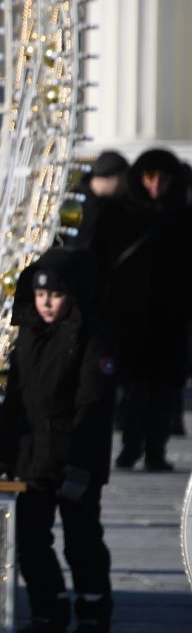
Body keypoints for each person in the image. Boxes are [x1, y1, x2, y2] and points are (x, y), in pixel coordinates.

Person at [0, 248, 116, 633]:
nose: (46, 303)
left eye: (56, 295)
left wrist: (81, 467)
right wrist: (6, 453)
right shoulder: (29, 334)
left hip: (74, 459)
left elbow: (93, 407)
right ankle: (49, 611)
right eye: (41, 294)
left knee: (82, 541)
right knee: (30, 540)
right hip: (33, 458)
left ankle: (93, 617)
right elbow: (16, 399)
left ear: (73, 296)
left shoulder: (90, 339)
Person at [92, 148, 191, 472]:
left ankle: (155, 450)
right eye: (150, 177)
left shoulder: (182, 215)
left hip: (172, 320)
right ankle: (131, 447)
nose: (156, 185)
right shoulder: (116, 213)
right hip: (128, 320)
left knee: (164, 391)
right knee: (132, 389)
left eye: (163, 178)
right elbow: (98, 263)